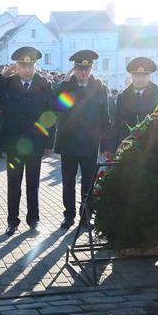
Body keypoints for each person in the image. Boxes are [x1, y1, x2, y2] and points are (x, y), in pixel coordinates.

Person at [0, 46, 56, 236]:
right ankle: (12, 222)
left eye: (30, 65)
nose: (27, 69)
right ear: (17, 66)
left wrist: (49, 143)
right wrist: (2, 76)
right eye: (23, 65)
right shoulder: (7, 83)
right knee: (13, 185)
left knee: (33, 185)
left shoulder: (44, 84)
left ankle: (34, 220)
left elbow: (51, 114)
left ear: (35, 65)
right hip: (14, 143)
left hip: (35, 143)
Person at [53, 49, 110, 229]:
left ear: (91, 69)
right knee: (68, 182)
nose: (83, 72)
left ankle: (86, 216)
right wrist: (64, 83)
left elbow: (105, 118)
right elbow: (57, 107)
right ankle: (68, 216)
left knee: (88, 182)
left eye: (87, 68)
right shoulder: (66, 87)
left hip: (89, 143)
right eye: (79, 69)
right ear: (74, 70)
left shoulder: (100, 88)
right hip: (68, 143)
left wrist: (105, 146)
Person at [109, 57, 158, 152]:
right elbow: (117, 125)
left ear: (149, 76)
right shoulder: (122, 97)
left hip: (151, 149)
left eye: (144, 76)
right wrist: (113, 149)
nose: (140, 79)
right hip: (126, 148)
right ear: (131, 76)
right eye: (136, 75)